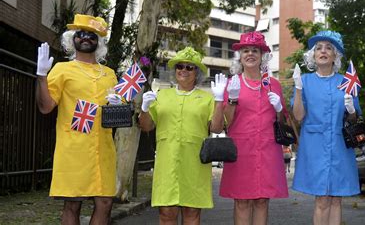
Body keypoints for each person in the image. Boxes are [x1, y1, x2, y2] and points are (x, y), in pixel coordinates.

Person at [35, 14, 122, 224]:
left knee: (105, 203)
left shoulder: (110, 74)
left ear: (98, 42)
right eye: (80, 33)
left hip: (103, 148)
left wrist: (119, 105)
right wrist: (41, 75)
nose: (85, 38)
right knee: (72, 203)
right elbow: (45, 107)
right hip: (74, 148)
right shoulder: (62, 69)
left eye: (91, 35)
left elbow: (115, 116)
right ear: (72, 39)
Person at [139, 47, 225, 225]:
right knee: (166, 213)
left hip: (195, 164)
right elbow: (146, 126)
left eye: (189, 67)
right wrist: (144, 109)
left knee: (192, 213)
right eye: (180, 66)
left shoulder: (207, 98)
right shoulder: (161, 95)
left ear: (197, 73)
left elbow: (216, 128)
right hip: (166, 162)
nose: (183, 70)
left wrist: (218, 101)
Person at [291, 30, 362, 225]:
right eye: (319, 48)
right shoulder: (304, 81)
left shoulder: (345, 82)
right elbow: (298, 116)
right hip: (314, 147)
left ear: (335, 56)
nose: (323, 51)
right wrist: (297, 89)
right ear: (313, 55)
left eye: (329, 48)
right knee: (322, 199)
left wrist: (350, 109)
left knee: (336, 198)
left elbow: (354, 119)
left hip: (340, 146)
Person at [219, 31, 288, 225]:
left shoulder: (274, 85)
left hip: (267, 150)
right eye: (246, 50)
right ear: (239, 56)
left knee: (262, 201)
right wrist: (231, 100)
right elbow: (226, 122)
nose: (250, 54)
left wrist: (279, 109)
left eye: (255, 50)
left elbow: (282, 122)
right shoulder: (232, 83)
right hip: (241, 151)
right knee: (242, 201)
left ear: (262, 56)